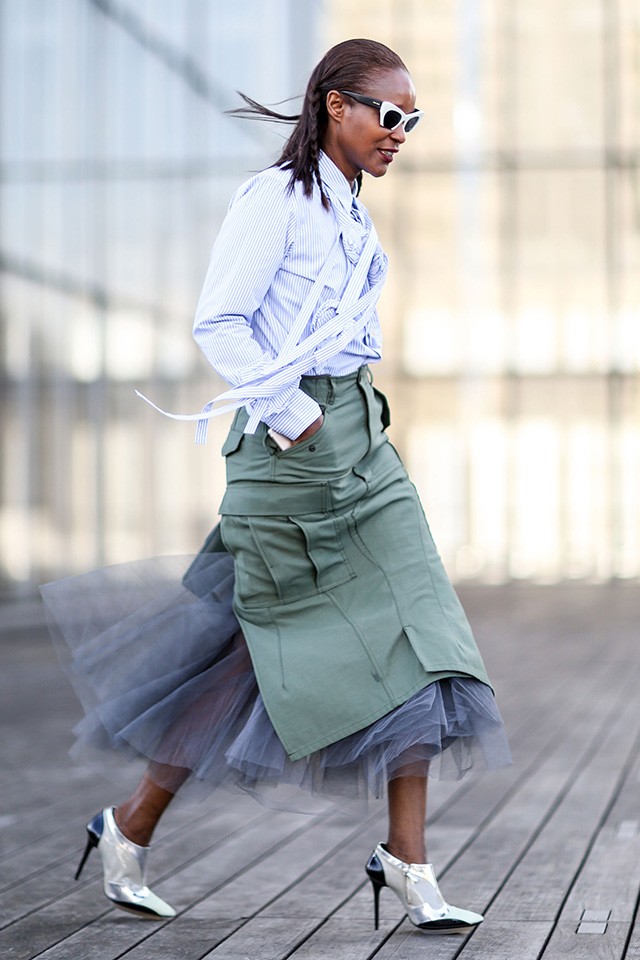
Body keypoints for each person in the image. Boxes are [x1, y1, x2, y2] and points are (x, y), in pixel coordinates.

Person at [41, 38, 510, 935]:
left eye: (413, 121)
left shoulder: (353, 212)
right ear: (337, 106)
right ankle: (128, 826)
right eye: (390, 114)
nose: (400, 133)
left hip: (364, 446)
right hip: (290, 455)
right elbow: (219, 322)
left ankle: (408, 859)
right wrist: (294, 414)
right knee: (242, 659)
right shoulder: (277, 201)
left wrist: (343, 419)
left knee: (426, 629)